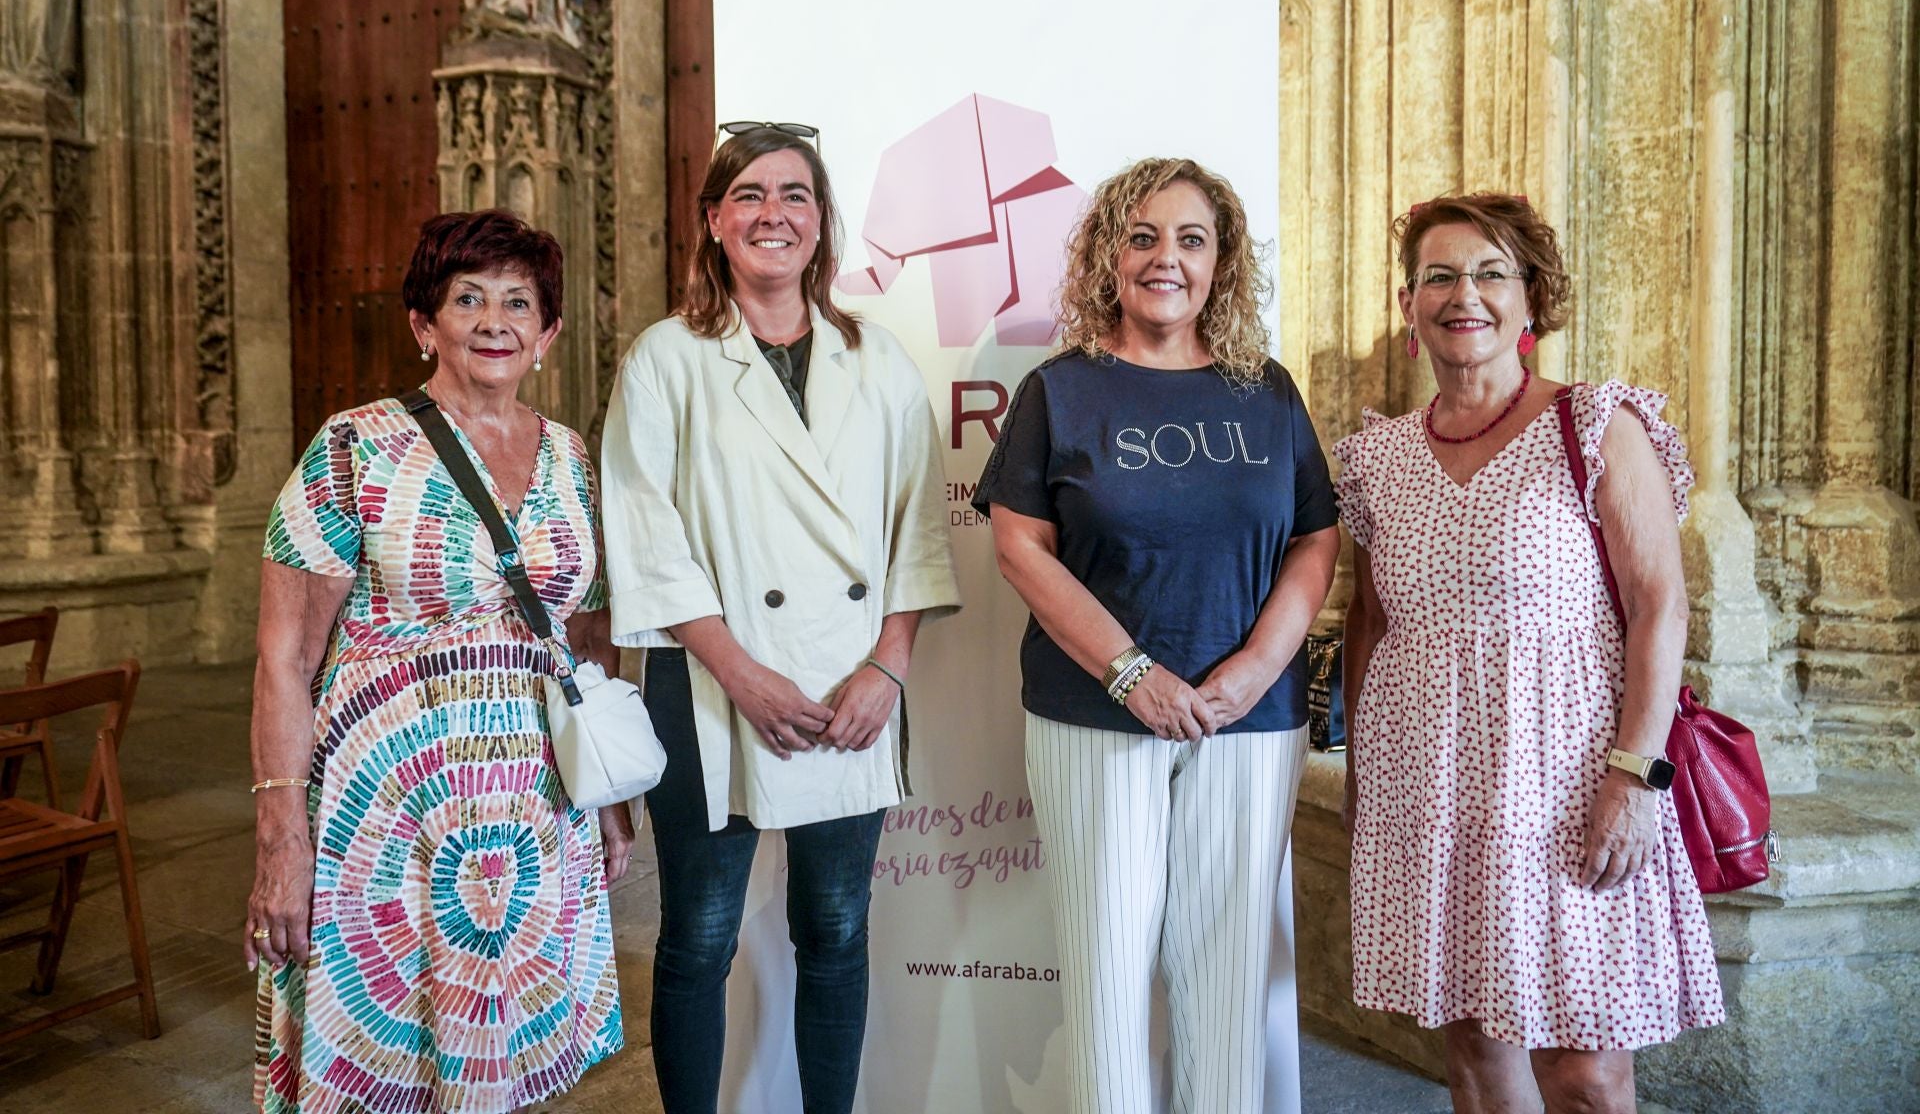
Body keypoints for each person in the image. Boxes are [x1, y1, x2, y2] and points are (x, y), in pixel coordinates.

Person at [1334, 193, 1726, 1112]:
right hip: (1426, 784)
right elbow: (1369, 618)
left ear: (1529, 298)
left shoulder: (1593, 425)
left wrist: (1635, 776)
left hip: (1572, 783)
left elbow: (1660, 606)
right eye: (1439, 275)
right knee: (1473, 1051)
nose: (1462, 294)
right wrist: (1363, 769)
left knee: (1586, 1071)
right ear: (1408, 306)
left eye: (1489, 273)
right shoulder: (1378, 459)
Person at [600, 123, 960, 1114]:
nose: (774, 213)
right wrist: (744, 676)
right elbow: (647, 536)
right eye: (750, 194)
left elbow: (916, 533)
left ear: (820, 223)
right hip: (709, 686)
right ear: (716, 221)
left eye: (795, 194)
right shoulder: (666, 358)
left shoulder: (875, 359)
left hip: (850, 686)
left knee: (838, 927)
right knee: (699, 934)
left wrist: (886, 670)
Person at [972, 156, 1340, 1114]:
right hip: (1091, 716)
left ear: (1222, 263)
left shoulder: (1267, 393)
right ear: (1109, 256)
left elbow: (1314, 538)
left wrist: (1257, 671)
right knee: (1106, 984)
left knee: (1226, 990)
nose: (1165, 259)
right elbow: (1021, 548)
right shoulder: (1062, 391)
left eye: (1190, 239)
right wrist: (1131, 673)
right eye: (1142, 237)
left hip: (1248, 726)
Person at [245, 210, 629, 1114]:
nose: (495, 320)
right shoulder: (355, 447)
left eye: (518, 301)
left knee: (505, 1060)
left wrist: (611, 797)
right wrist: (281, 835)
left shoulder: (573, 457)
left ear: (549, 333)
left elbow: (587, 635)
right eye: (468, 299)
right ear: (425, 325)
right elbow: (285, 653)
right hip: (386, 813)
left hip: (537, 808)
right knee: (389, 1063)